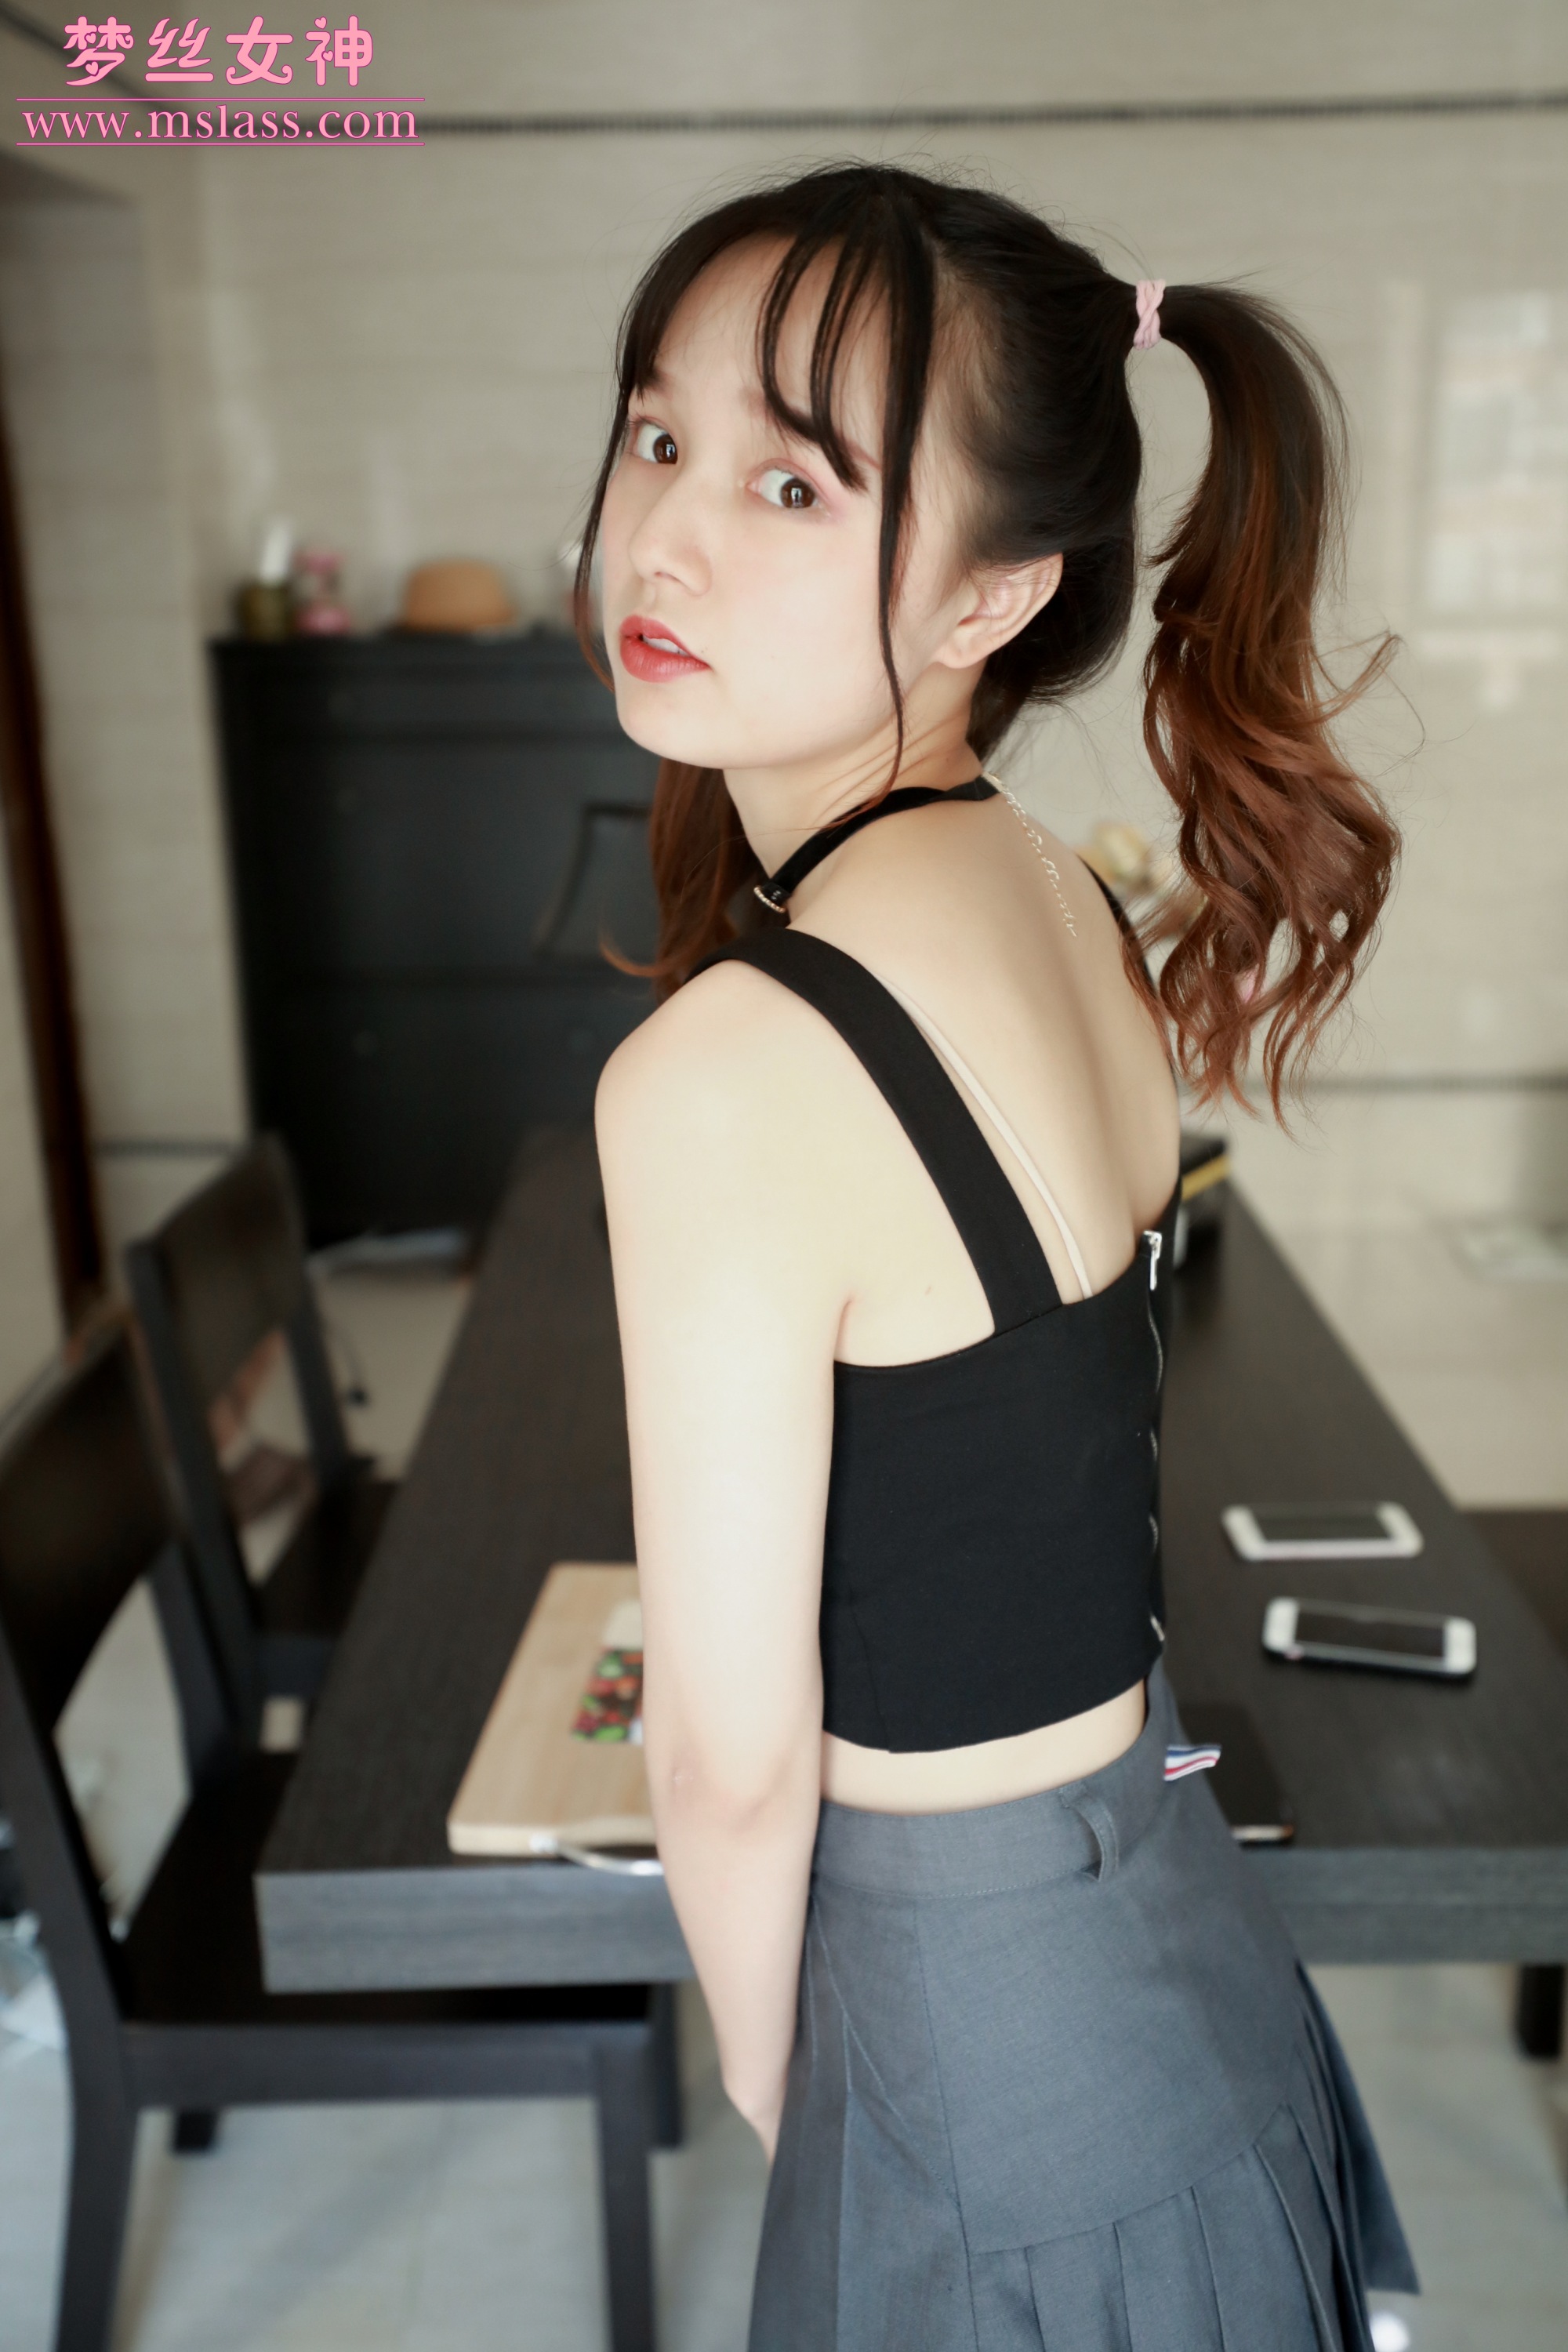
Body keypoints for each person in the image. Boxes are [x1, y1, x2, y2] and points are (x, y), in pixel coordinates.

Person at [583, 162, 1416, 2351]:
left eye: (791, 483)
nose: (663, 538)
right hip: (1174, 1964)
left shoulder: (728, 1069)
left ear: (993, 594)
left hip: (976, 2061)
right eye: (657, 435)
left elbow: (727, 1758)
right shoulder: (1052, 889)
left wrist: (791, 2089)